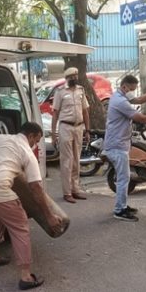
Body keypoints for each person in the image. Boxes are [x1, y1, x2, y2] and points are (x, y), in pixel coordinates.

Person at [0, 122, 62, 291]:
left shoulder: (0, 138)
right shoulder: (27, 153)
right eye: (37, 139)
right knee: (20, 229)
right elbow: (36, 189)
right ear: (32, 135)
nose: (36, 144)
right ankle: (26, 276)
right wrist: (49, 216)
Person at [103, 75, 146, 222]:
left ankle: (122, 205)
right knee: (123, 180)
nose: (133, 92)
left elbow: (139, 100)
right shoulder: (120, 101)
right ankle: (119, 210)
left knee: (125, 178)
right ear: (124, 87)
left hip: (119, 144)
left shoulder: (120, 96)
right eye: (132, 89)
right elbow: (140, 118)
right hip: (116, 145)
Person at [50, 67, 90, 203]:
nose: (75, 78)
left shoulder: (81, 90)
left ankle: (75, 189)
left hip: (78, 128)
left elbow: (85, 111)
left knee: (76, 161)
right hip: (65, 127)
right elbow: (55, 113)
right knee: (67, 161)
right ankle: (67, 192)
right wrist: (53, 133)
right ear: (67, 78)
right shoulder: (60, 92)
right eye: (72, 76)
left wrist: (88, 130)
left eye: (76, 76)